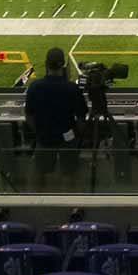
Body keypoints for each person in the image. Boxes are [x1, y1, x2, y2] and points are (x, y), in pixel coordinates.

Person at [25, 47, 88, 179]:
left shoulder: (35, 87)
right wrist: (75, 136)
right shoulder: (72, 88)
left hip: (44, 138)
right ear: (63, 65)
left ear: (46, 64)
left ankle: (36, 199)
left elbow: (29, 116)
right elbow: (82, 118)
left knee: (39, 176)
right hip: (67, 138)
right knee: (71, 177)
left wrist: (39, 132)